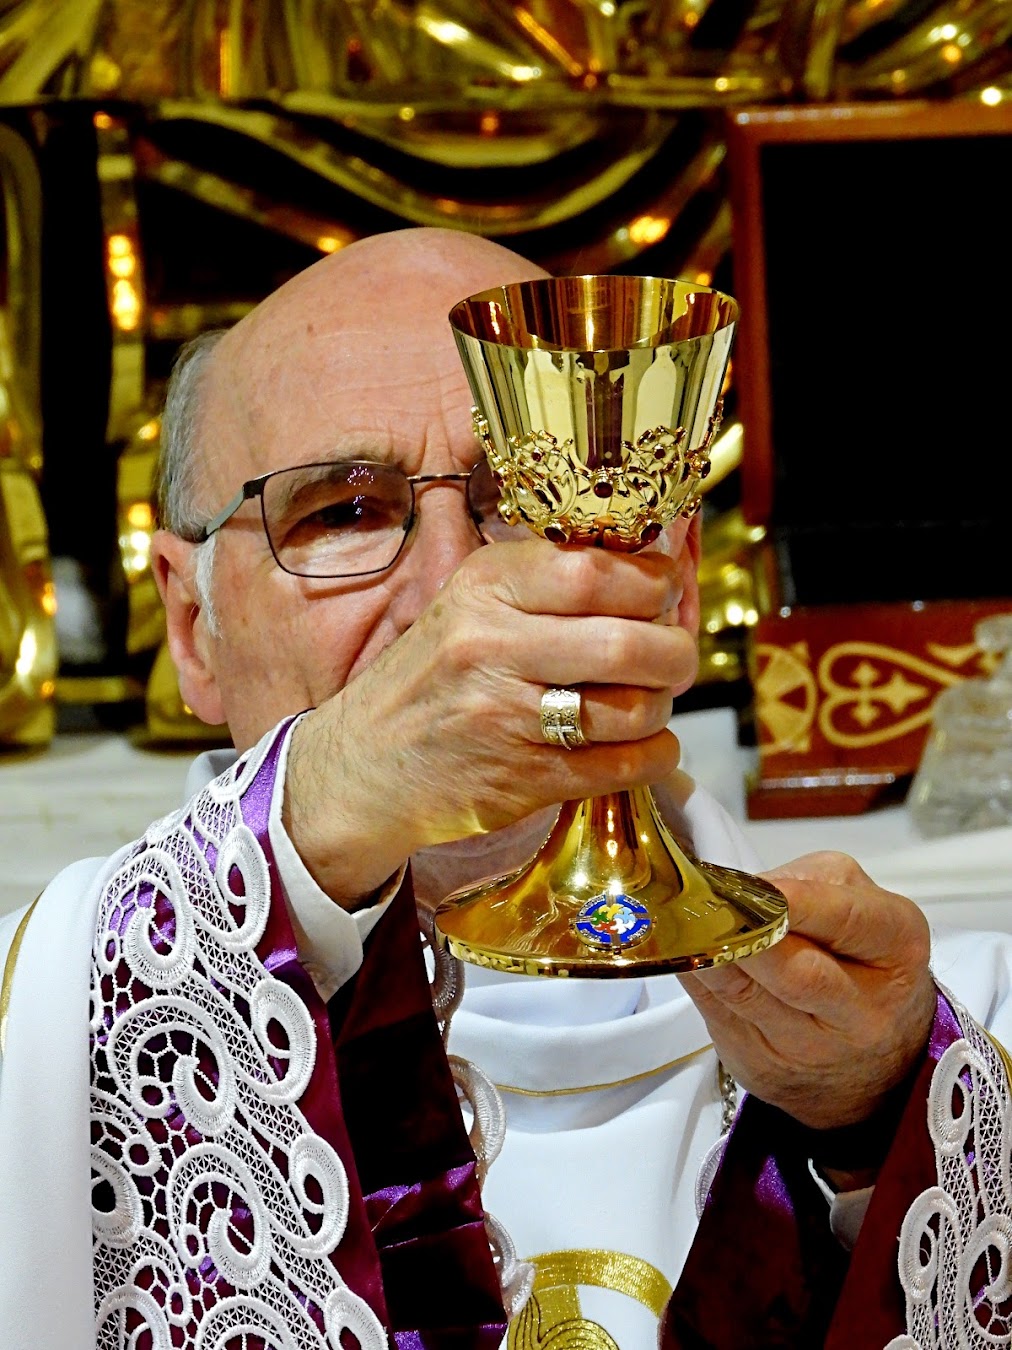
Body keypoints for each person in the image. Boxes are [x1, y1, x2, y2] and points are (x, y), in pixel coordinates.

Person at [0, 226, 1009, 1349]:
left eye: (526, 497)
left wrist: (874, 1136)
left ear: (673, 588)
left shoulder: (963, 1039)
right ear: (193, 628)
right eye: (342, 512)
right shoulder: (31, 1040)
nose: (457, 591)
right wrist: (327, 800)